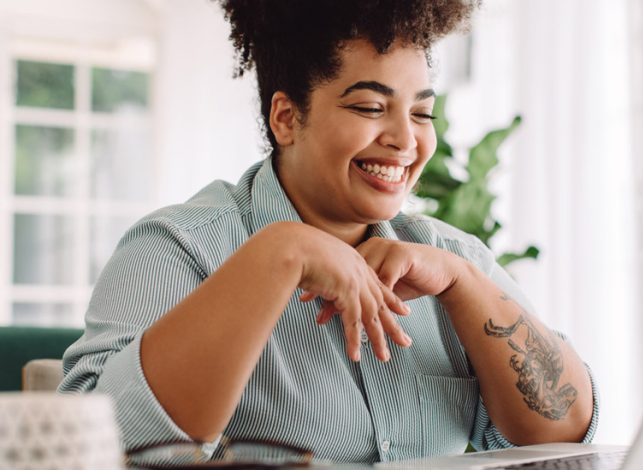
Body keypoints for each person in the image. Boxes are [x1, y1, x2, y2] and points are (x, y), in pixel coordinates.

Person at [59, 0, 599, 464]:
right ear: (286, 118)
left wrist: (464, 285)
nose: (404, 139)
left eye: (421, 113)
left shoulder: (450, 257)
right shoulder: (176, 249)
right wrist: (278, 254)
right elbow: (94, 449)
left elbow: (566, 436)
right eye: (370, 107)